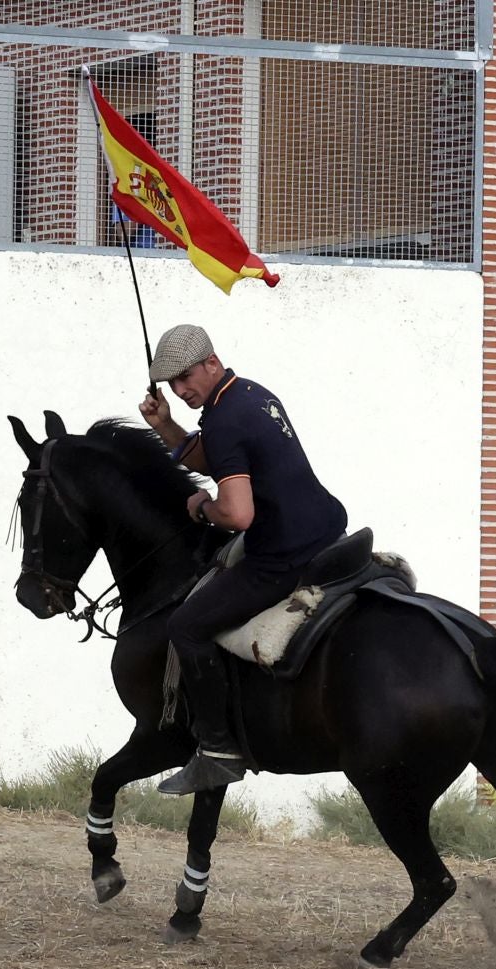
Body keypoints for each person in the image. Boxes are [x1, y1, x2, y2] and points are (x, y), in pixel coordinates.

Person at [138, 323, 350, 795]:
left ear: (212, 362)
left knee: (186, 627)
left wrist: (201, 507)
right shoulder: (249, 395)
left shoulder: (224, 418)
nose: (180, 389)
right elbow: (217, 459)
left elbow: (237, 513)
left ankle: (216, 751)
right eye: (171, 382)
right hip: (326, 530)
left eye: (186, 377)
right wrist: (165, 425)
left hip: (282, 557)